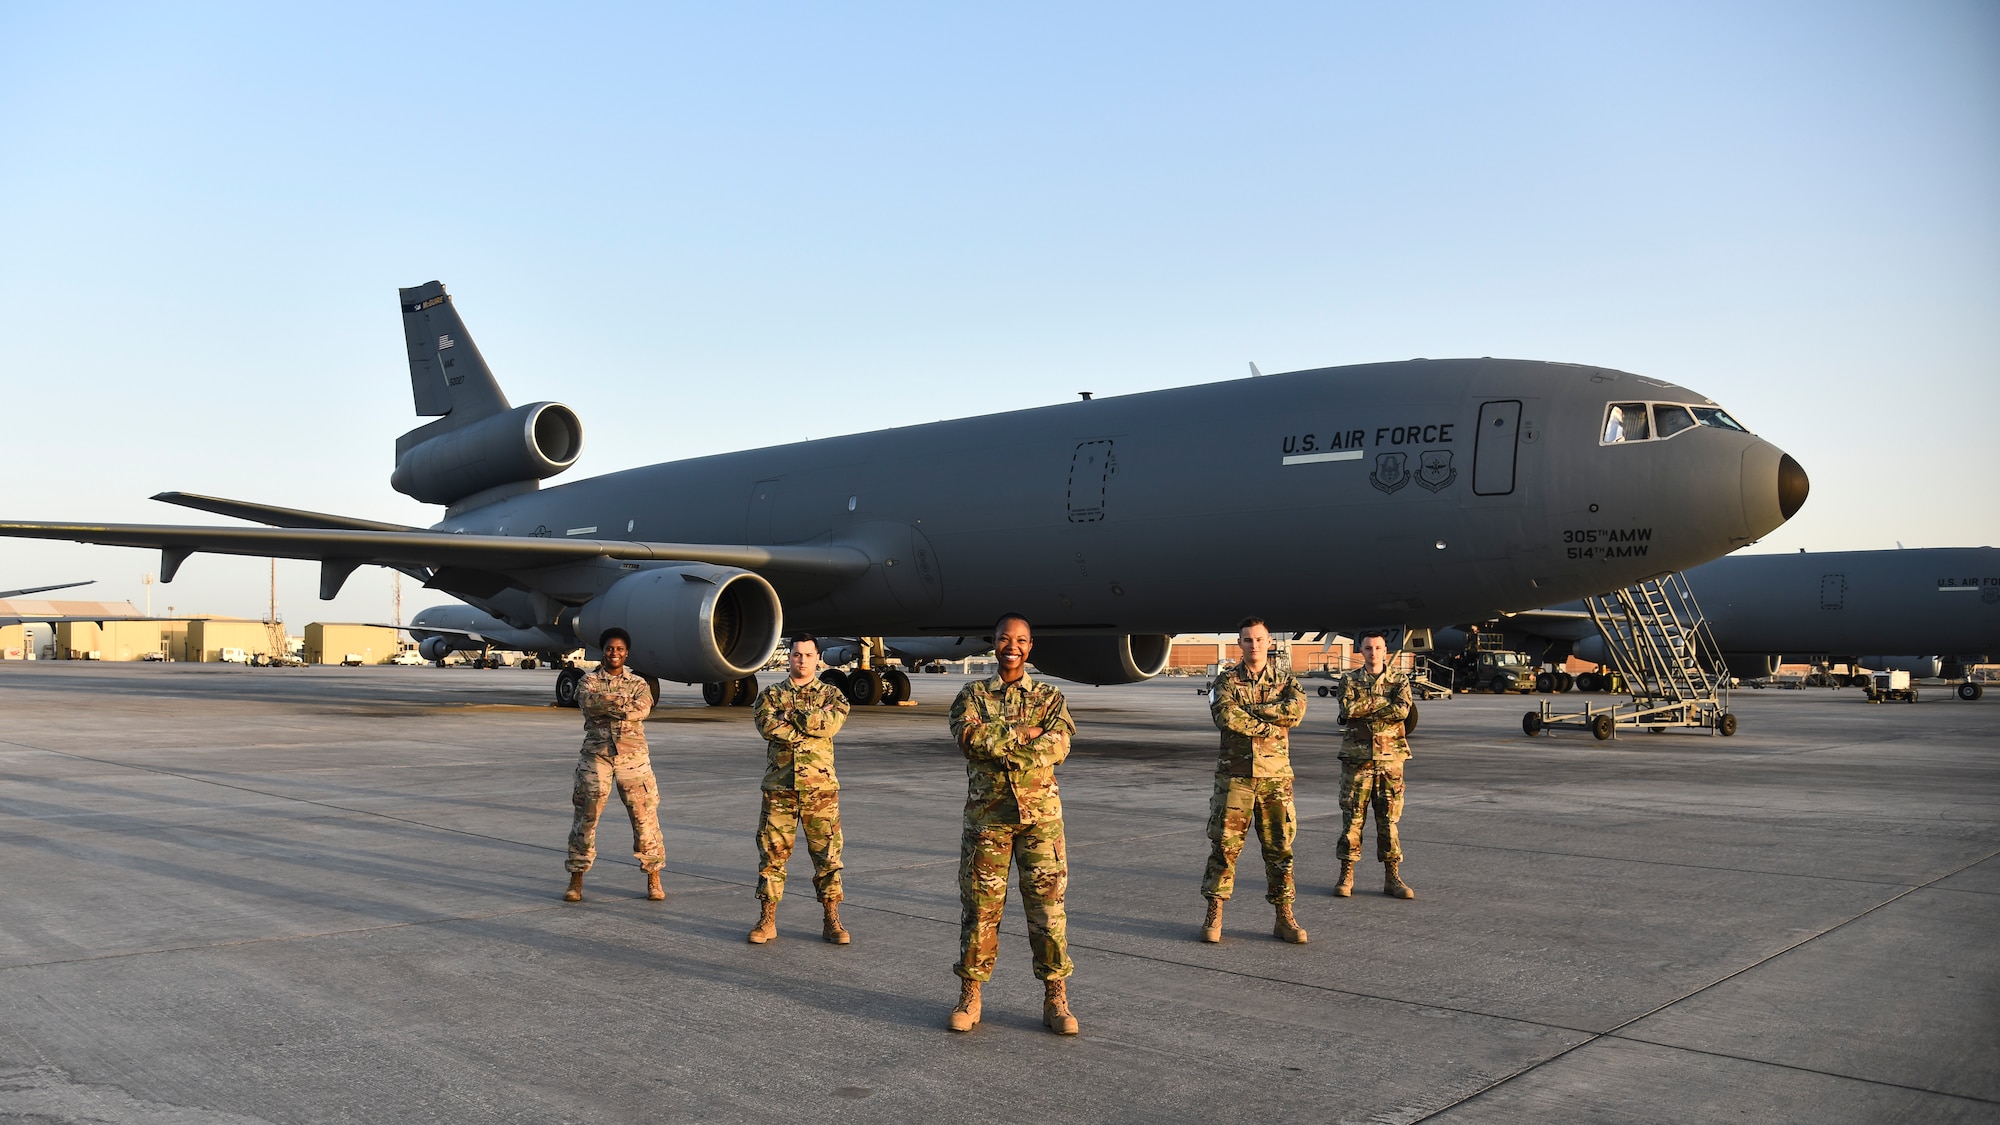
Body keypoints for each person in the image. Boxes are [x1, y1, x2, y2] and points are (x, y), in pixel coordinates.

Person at [945, 613, 1079, 1035]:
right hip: (989, 821)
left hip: (1040, 821)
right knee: (980, 911)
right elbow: (970, 740)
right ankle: (971, 994)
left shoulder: (1050, 695)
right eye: (1005, 638)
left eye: (1020, 640)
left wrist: (1001, 740)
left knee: (1048, 912)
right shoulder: (972, 694)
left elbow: (1059, 744)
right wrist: (1026, 733)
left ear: (1030, 646)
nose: (1012, 646)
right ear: (995, 643)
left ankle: (1056, 998)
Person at [1201, 617, 1310, 944]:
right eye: (1248, 640)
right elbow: (1224, 716)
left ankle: (1284, 916)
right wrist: (1268, 724)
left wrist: (1249, 712)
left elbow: (1297, 712)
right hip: (1235, 779)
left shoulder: (1287, 680)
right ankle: (1214, 913)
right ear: (1240, 644)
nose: (1254, 645)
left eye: (1259, 639)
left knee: (1280, 849)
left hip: (1275, 779)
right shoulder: (1226, 681)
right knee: (1224, 848)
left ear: (1269, 643)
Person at [747, 634, 853, 945]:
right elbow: (768, 727)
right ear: (789, 657)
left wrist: (791, 715)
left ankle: (831, 919)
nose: (802, 660)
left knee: (828, 857)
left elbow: (830, 725)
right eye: (796, 654)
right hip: (780, 789)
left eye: (808, 654)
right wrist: (810, 727)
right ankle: (767, 919)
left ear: (818, 658)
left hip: (820, 791)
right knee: (771, 856)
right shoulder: (769, 694)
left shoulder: (834, 694)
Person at [562, 627, 665, 903]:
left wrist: (607, 703)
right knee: (586, 817)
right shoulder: (588, 681)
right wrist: (621, 702)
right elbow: (587, 703)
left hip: (634, 760)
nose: (614, 653)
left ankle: (654, 878)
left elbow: (642, 709)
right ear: (603, 651)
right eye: (610, 648)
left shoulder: (639, 683)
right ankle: (576, 879)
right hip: (597, 757)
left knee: (645, 820)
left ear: (626, 652)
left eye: (620, 649)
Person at [1337, 630, 1416, 899]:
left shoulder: (1399, 679)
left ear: (1385, 650)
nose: (1373, 652)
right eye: (1368, 648)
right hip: (1357, 759)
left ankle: (1392, 877)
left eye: (1378, 648)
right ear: (1361, 651)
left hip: (1390, 759)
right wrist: (1384, 703)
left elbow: (1403, 710)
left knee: (1389, 820)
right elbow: (1347, 710)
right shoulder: (1349, 680)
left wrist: (1365, 706)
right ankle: (1346, 874)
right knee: (1352, 820)